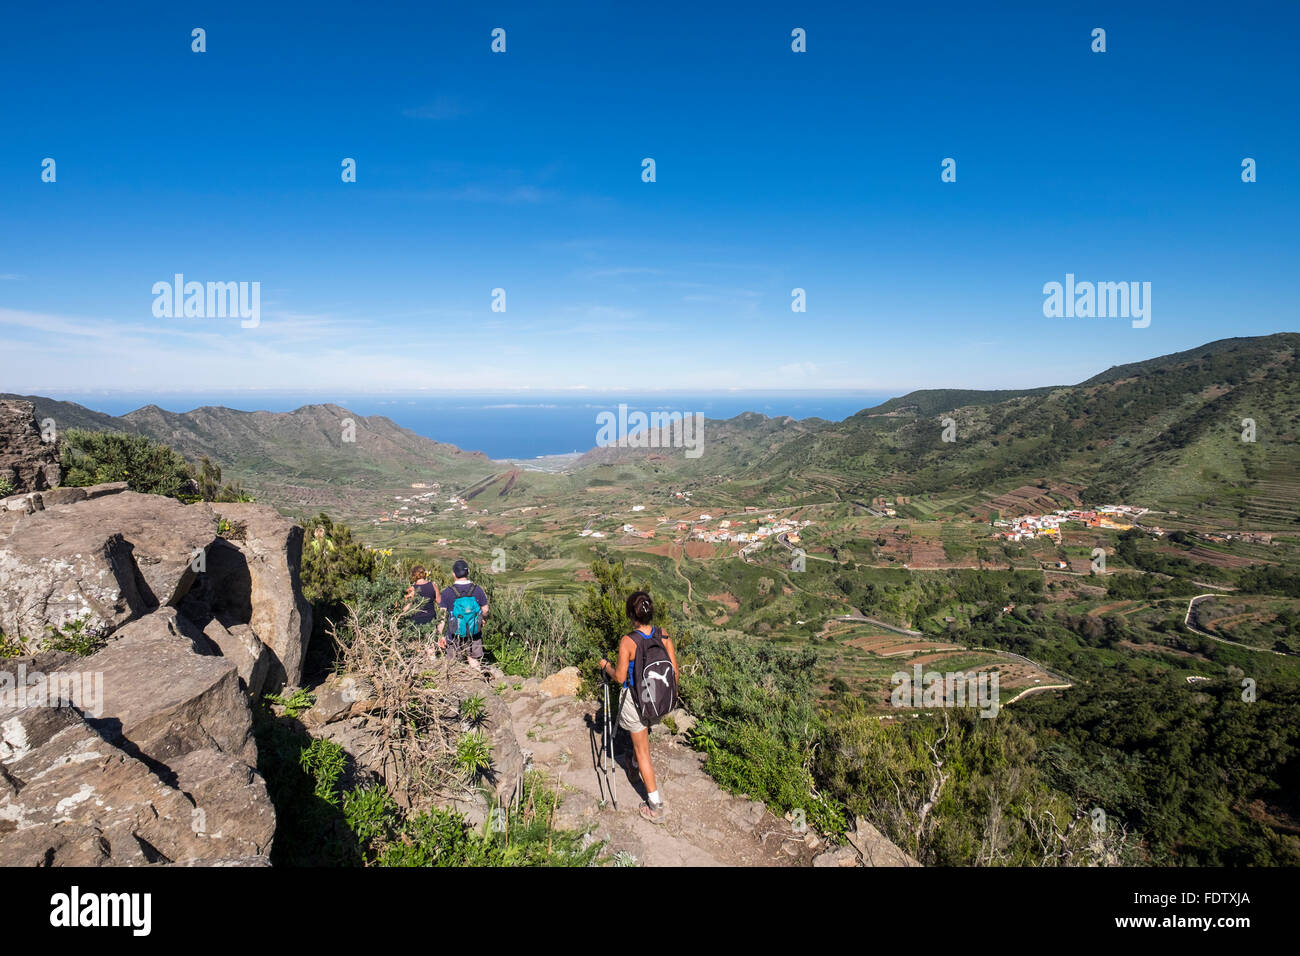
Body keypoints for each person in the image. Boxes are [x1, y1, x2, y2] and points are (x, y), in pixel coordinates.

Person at [598, 591, 678, 825]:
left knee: (643, 751)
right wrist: (670, 697)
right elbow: (674, 670)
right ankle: (632, 765)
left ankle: (655, 806)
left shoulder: (628, 641)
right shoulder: (664, 635)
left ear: (630, 614)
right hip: (660, 700)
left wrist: (606, 666)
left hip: (636, 702)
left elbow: (621, 677)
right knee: (641, 741)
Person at [438, 559, 489, 664]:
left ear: (453, 574)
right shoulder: (477, 589)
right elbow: (485, 609)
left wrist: (440, 635)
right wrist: (483, 619)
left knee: (453, 664)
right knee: (474, 661)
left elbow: (441, 616)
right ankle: (478, 678)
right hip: (474, 632)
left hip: (453, 634)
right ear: (468, 571)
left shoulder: (447, 592)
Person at [403, 565, 441, 650]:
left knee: (417, 647)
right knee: (430, 645)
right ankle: (432, 661)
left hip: (416, 620)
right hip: (431, 619)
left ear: (413, 576)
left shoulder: (411, 589)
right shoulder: (433, 585)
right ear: (424, 574)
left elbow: (406, 607)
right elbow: (440, 602)